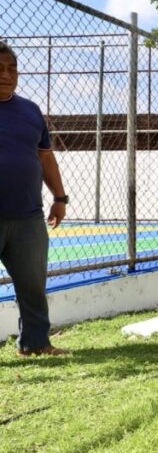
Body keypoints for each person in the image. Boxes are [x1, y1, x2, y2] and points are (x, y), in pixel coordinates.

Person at [0, 41, 69, 356]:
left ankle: (35, 343)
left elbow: (45, 158)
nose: (6, 75)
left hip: (28, 216)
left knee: (32, 285)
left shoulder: (30, 111)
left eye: (12, 69)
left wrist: (60, 197)